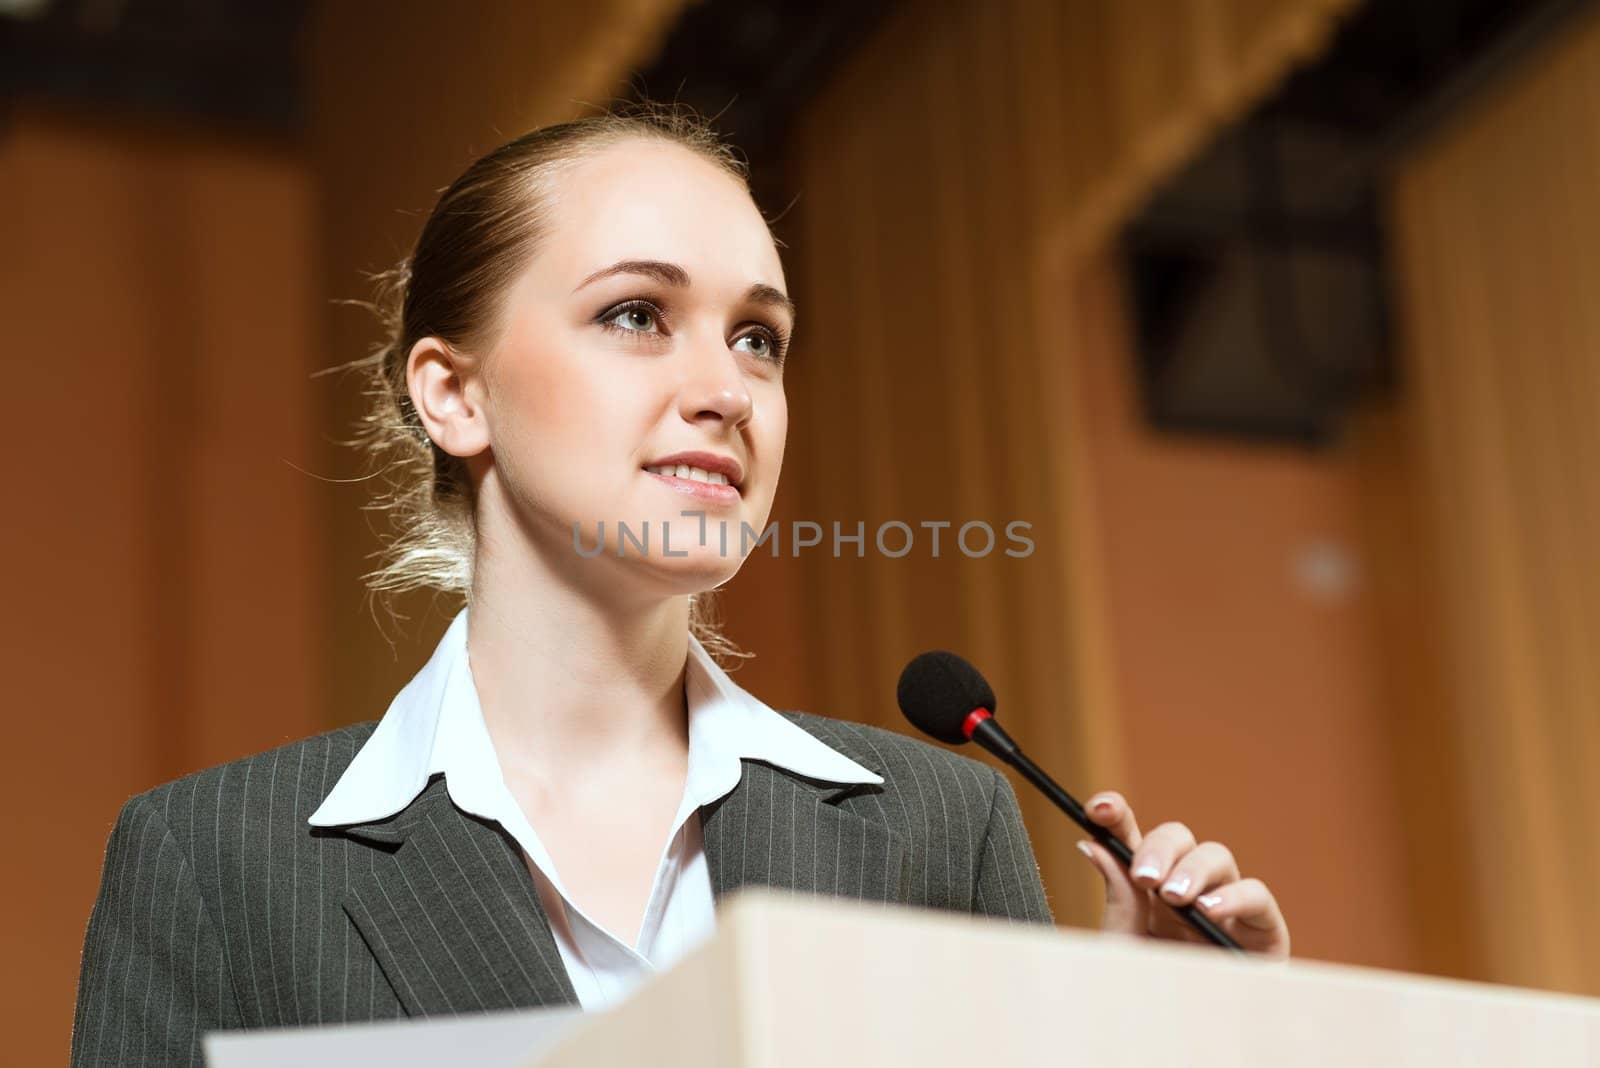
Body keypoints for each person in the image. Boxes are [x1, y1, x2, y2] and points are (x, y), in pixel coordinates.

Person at [70, 106, 1289, 1067]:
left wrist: (1156, 1037)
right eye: (638, 314)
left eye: (758, 336)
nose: (726, 388)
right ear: (454, 392)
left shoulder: (937, 829)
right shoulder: (213, 863)